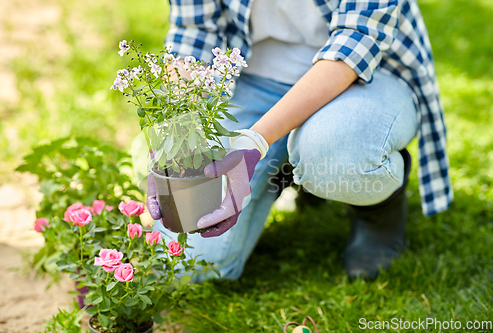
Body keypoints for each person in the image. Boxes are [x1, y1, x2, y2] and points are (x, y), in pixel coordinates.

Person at [148, 0, 453, 280]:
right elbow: (194, 31)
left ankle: (378, 209)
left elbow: (356, 40)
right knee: (193, 265)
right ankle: (286, 171)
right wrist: (173, 134)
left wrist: (254, 141)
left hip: (366, 76)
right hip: (252, 78)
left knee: (341, 155)